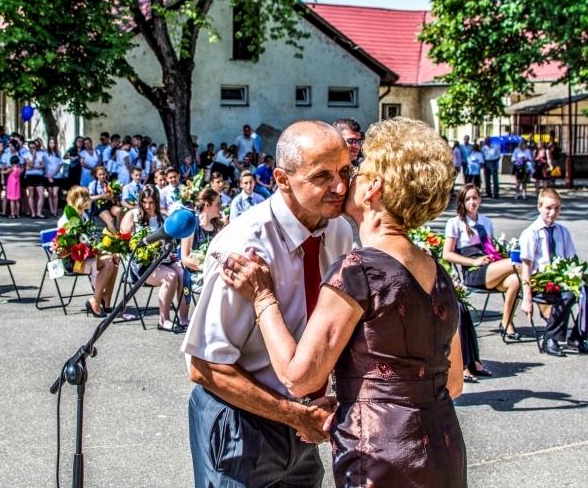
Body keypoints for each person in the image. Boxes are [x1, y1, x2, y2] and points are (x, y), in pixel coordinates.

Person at [209, 117, 466, 488]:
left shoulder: (358, 271)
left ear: (374, 187)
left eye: (356, 171)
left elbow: (300, 377)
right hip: (442, 447)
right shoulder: (436, 271)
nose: (346, 182)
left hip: (382, 455)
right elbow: (453, 382)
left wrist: (264, 298)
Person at [182, 121, 352, 488]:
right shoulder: (244, 247)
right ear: (282, 178)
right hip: (241, 420)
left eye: (345, 171)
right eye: (322, 175)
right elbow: (205, 367)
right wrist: (294, 415)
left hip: (303, 420)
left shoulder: (339, 231)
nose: (339, 186)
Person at [442, 184, 519, 376]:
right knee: (517, 264)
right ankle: (530, 294)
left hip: (490, 265)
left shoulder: (486, 222)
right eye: (468, 199)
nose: (472, 202)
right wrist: (473, 261)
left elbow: (492, 250)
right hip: (473, 271)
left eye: (475, 198)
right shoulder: (455, 223)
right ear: (461, 202)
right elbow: (447, 254)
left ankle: (507, 322)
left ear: (480, 199)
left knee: (514, 281)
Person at [519, 188, 588, 356]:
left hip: (561, 279)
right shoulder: (531, 233)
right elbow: (526, 268)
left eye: (557, 208)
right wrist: (527, 297)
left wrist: (577, 277)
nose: (553, 212)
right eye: (548, 208)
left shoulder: (562, 231)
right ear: (539, 207)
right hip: (540, 280)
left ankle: (577, 336)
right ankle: (550, 338)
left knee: (585, 292)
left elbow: (571, 258)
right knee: (568, 296)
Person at [120, 185, 190, 332]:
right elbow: (124, 245)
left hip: (162, 259)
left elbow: (170, 242)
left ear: (157, 202)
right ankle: (164, 320)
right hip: (140, 265)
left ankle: (183, 319)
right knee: (170, 276)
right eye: (144, 202)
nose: (147, 206)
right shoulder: (132, 215)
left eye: (151, 203)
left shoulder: (163, 217)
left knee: (184, 275)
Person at [58, 186, 119, 317]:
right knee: (108, 263)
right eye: (87, 197)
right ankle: (95, 300)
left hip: (84, 256)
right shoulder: (66, 220)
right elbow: (69, 248)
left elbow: (87, 242)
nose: (91, 200)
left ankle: (106, 300)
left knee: (113, 258)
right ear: (80, 200)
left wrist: (103, 251)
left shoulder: (83, 215)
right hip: (73, 260)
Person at [179, 187, 223, 297]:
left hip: (217, 272)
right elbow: (185, 258)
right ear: (207, 205)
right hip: (197, 273)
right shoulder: (191, 226)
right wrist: (206, 267)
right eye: (218, 204)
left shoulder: (219, 227)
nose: (220, 207)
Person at [88, 165, 122, 232]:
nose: (102, 176)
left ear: (106, 174)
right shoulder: (92, 184)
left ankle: (122, 230)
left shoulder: (109, 184)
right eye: (100, 174)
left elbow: (116, 198)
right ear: (96, 175)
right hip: (99, 206)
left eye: (103, 174)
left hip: (109, 204)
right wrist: (101, 196)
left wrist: (112, 197)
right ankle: (115, 237)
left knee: (119, 211)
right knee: (110, 220)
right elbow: (90, 197)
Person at [24, 141, 46, 218]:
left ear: (36, 147)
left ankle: (39, 212)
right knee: (31, 194)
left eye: (33, 147)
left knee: (41, 194)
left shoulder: (41, 154)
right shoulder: (26, 154)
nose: (32, 149)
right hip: (30, 176)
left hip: (39, 175)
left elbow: (43, 165)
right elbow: (30, 164)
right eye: (30, 148)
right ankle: (33, 213)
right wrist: (33, 156)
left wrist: (33, 168)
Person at [43, 137, 64, 217]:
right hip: (47, 175)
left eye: (53, 143)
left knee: (55, 194)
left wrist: (53, 174)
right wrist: (48, 176)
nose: (52, 144)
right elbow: (44, 165)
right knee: (50, 193)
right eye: (50, 143)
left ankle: (55, 210)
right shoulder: (45, 153)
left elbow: (60, 164)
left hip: (56, 176)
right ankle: (51, 211)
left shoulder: (58, 153)